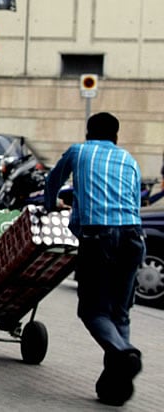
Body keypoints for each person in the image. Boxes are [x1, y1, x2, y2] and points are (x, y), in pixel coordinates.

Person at [44, 112, 145, 406]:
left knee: (93, 312)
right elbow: (132, 199)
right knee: (119, 313)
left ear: (88, 133)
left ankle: (123, 353)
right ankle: (115, 385)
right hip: (133, 237)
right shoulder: (129, 160)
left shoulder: (79, 151)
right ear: (117, 136)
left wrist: (51, 205)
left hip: (98, 237)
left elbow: (53, 181)